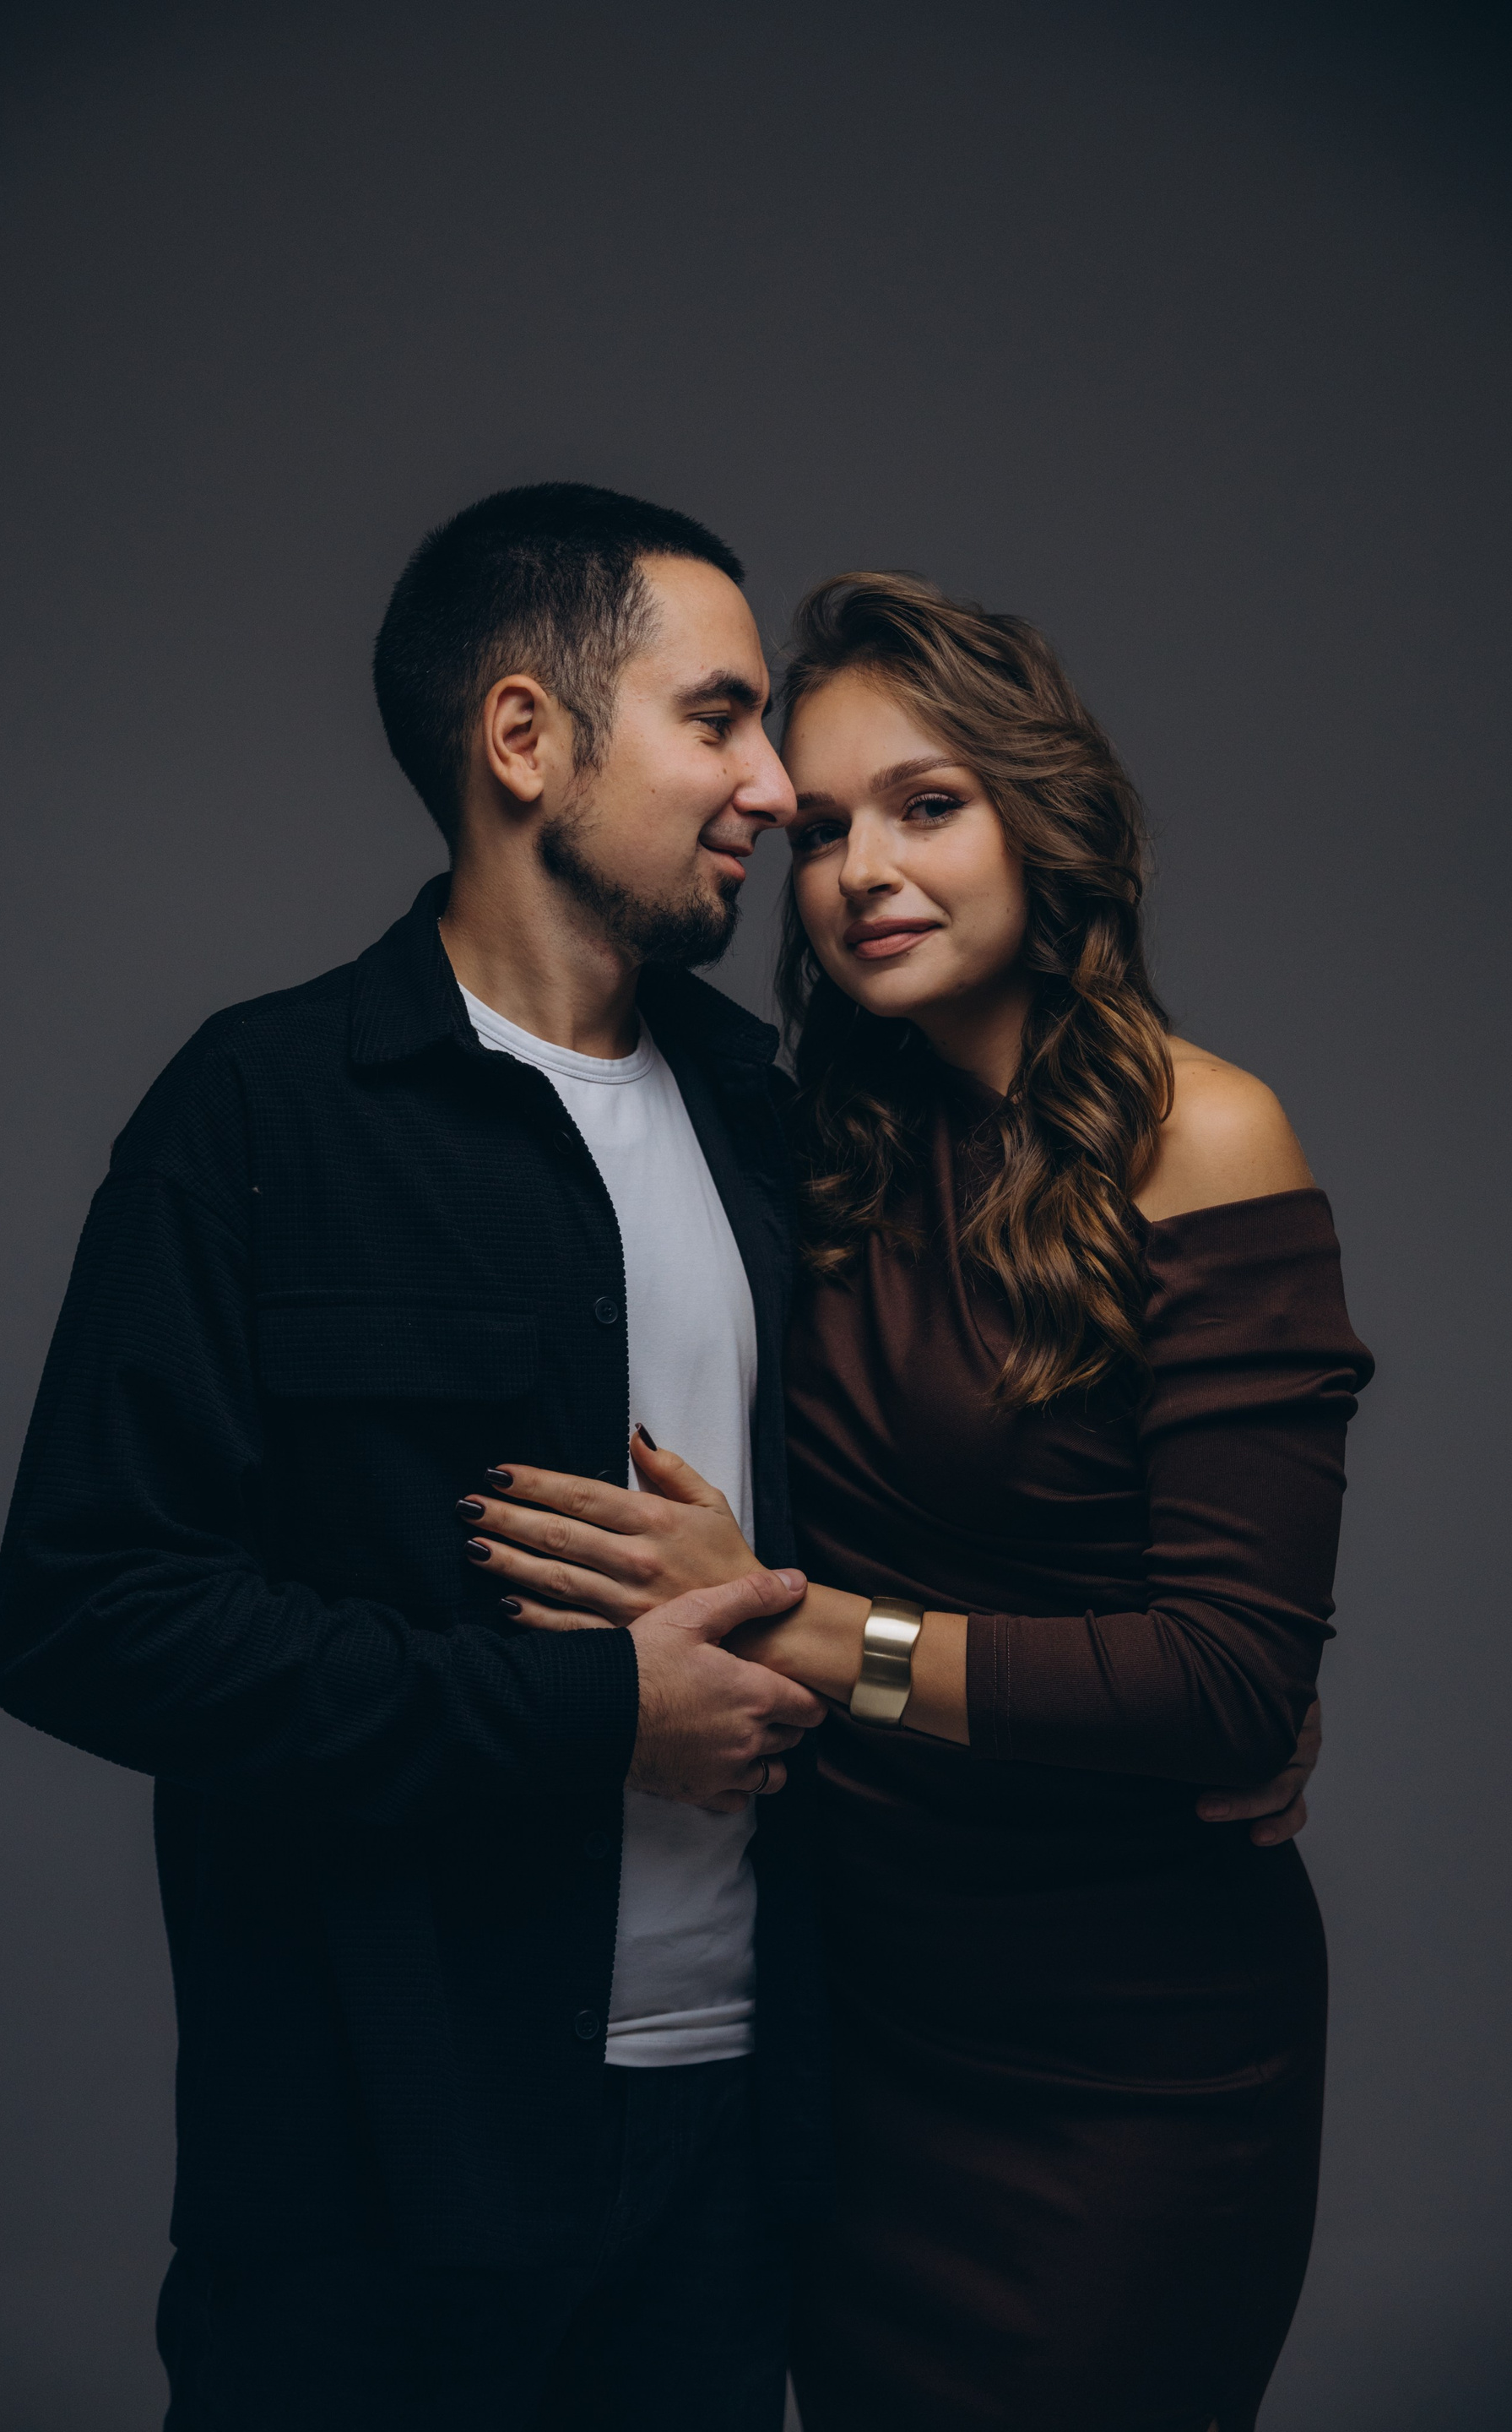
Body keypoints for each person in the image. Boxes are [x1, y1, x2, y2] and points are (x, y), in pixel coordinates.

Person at [465, 571, 1370, 2430]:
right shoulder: (813, 1150)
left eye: (929, 806)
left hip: (1125, 2054)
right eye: (824, 829)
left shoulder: (1203, 1137)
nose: (863, 870)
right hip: (857, 2031)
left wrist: (788, 1624)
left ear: (1047, 820)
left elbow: (1225, 1689)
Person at [0, 482, 830, 2431]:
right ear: (526, 736)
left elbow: (909, 1515)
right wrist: (589, 1712)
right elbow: (87, 1619)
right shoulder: (256, 1113)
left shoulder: (769, 1115)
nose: (776, 789)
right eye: (718, 717)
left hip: (736, 2158)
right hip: (373, 2181)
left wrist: (1177, 1692)